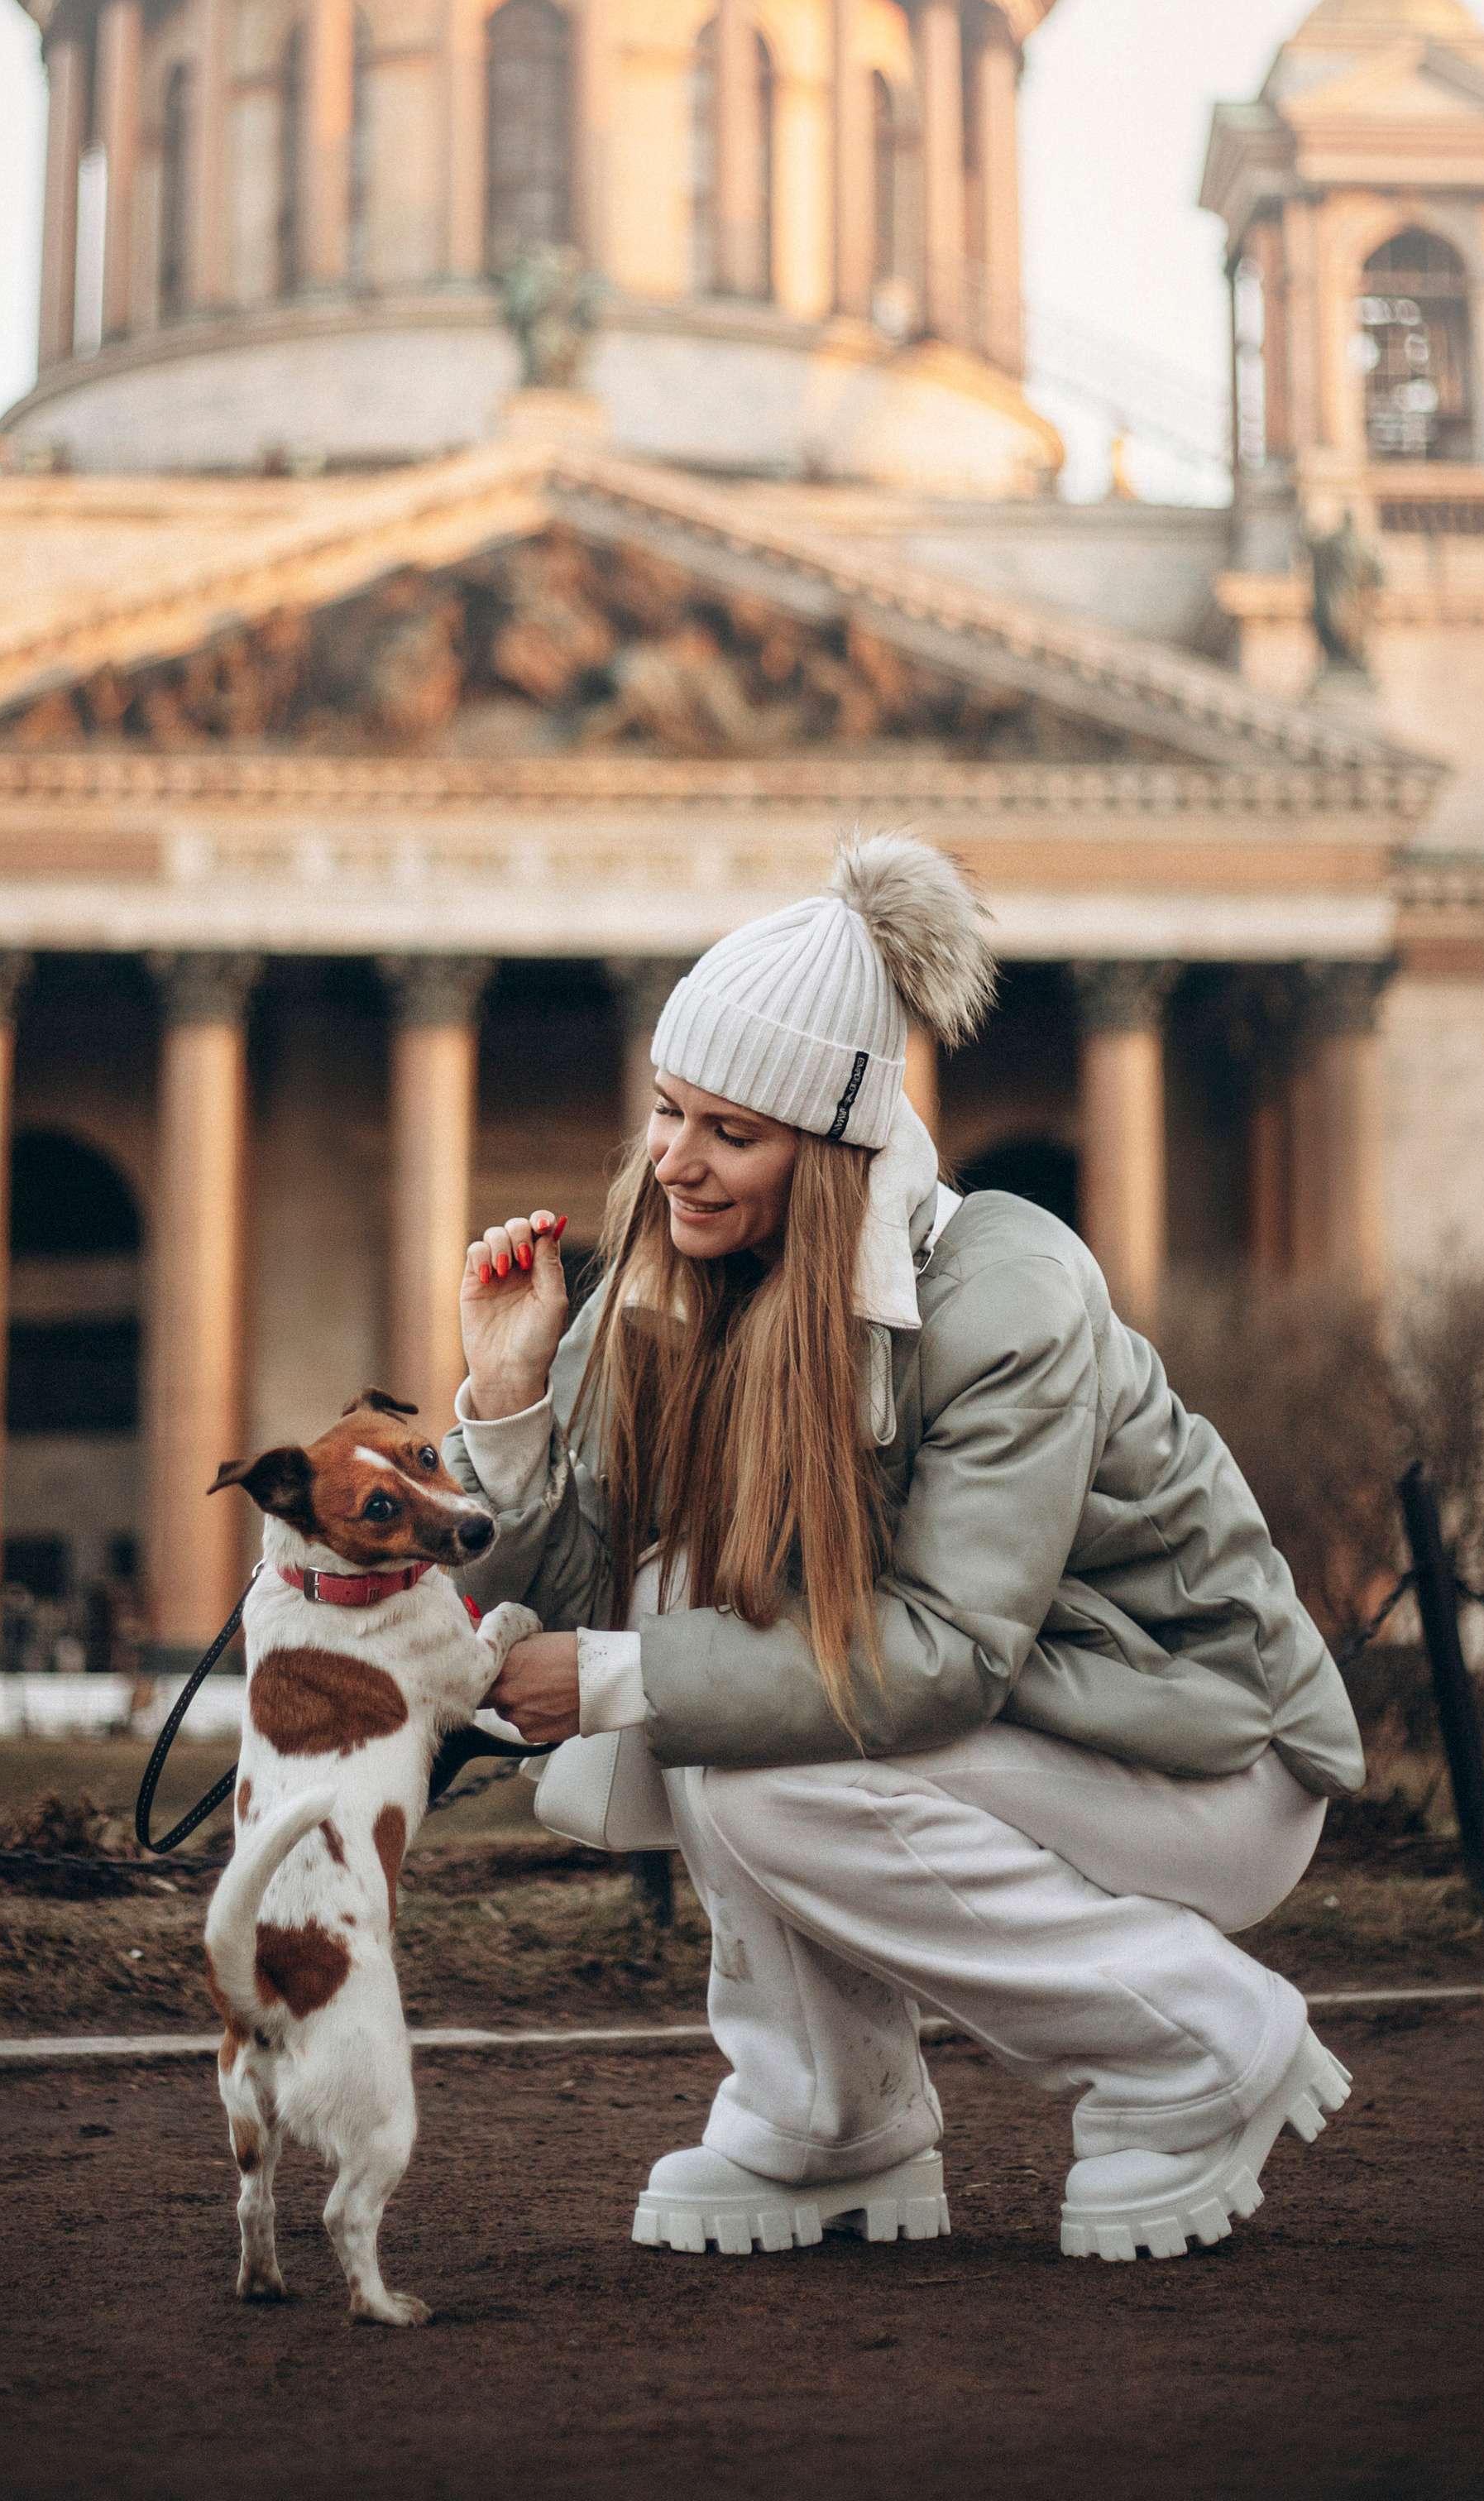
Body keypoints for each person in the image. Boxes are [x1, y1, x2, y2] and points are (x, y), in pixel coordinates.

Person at [450, 833, 1362, 2264]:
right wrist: (508, 1408)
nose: (673, 1163)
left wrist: (620, 1677)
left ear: (829, 1148)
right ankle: (830, 2121)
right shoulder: (693, 1285)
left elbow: (943, 1657)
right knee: (686, 1629)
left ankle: (1206, 2043)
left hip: (1205, 1755)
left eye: (728, 1133)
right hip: (1037, 1731)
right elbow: (597, 1600)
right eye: (669, 1112)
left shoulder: (1009, 1291)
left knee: (740, 1760)